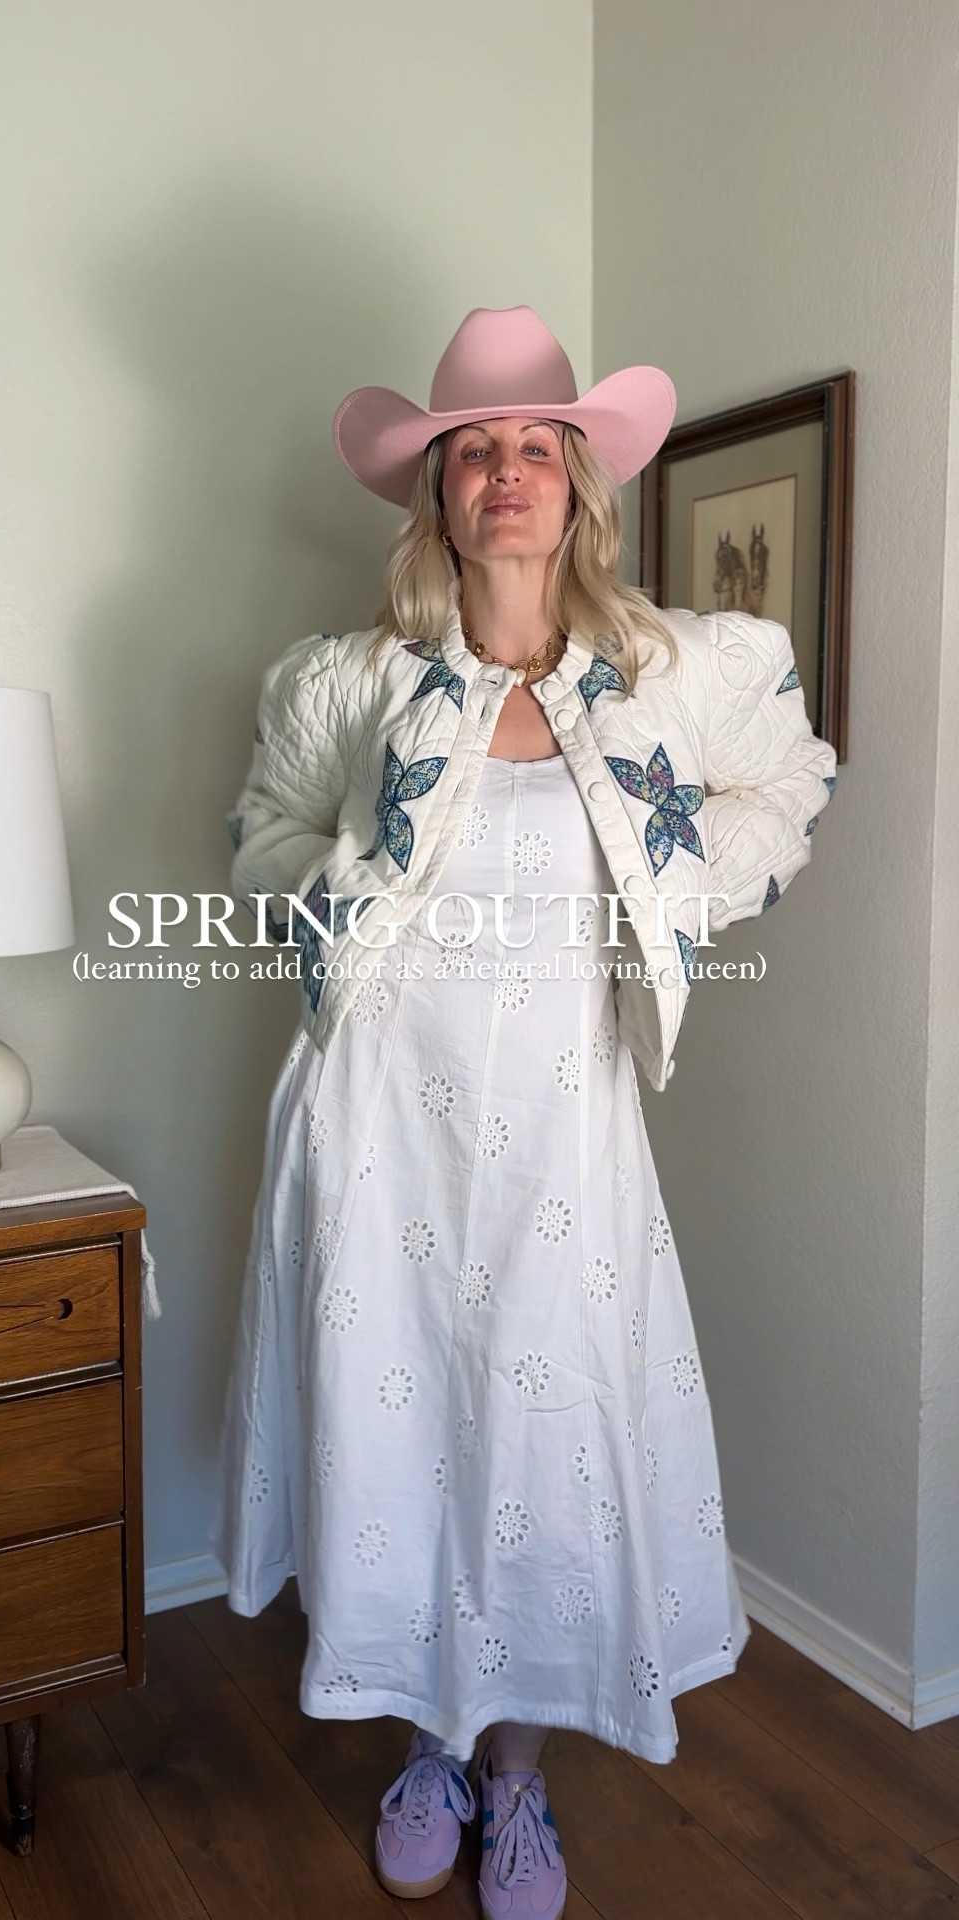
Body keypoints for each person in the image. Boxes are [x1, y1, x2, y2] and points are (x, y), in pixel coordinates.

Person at [210, 306, 837, 1920]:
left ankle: (520, 1781)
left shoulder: (668, 673)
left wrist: (685, 880)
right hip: (375, 1130)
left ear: (579, 484)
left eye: (536, 444)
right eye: (474, 447)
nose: (506, 471)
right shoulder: (351, 684)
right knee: (403, 1423)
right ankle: (427, 1740)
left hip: (565, 1129)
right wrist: (335, 891)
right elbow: (263, 834)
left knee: (549, 1444)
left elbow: (789, 780)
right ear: (437, 493)